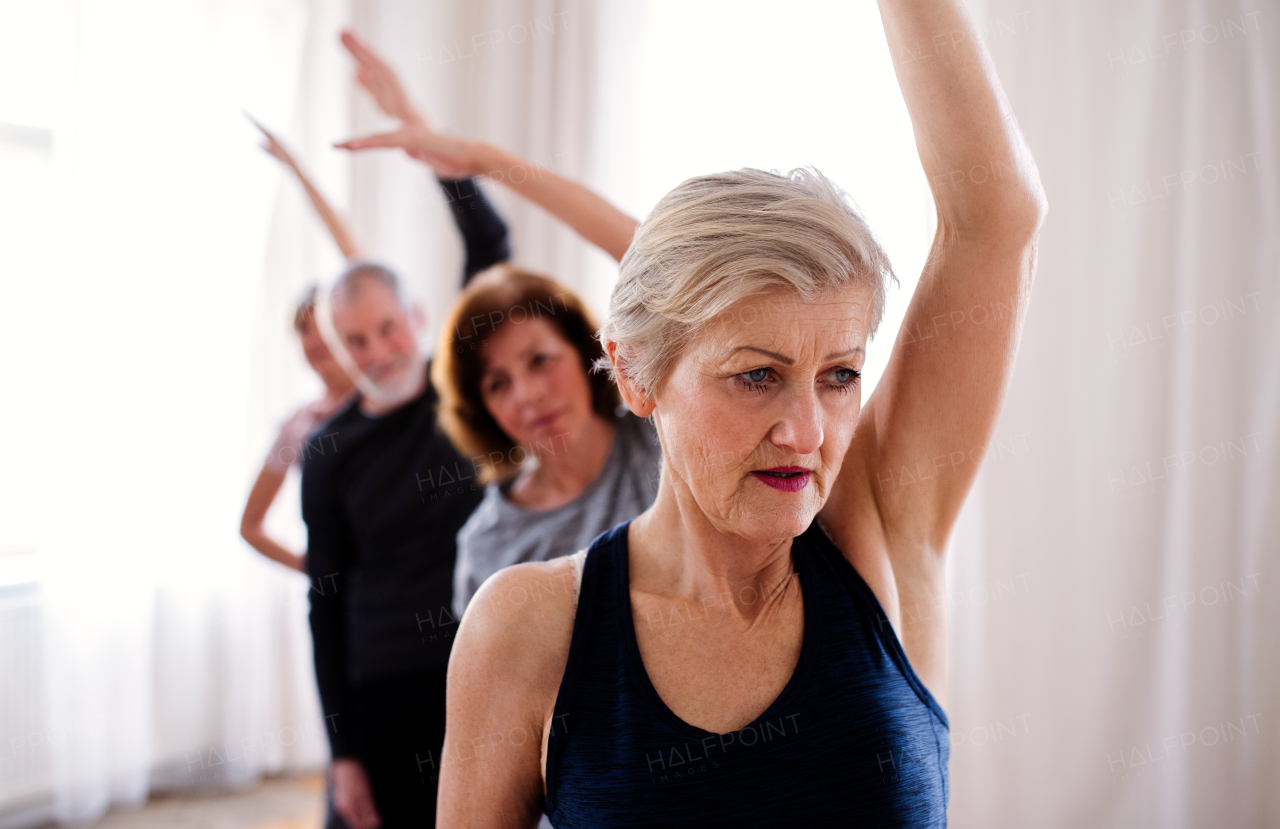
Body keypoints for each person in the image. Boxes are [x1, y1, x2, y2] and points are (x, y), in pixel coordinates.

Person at [433, 0, 1048, 825]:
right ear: (634, 376)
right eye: (757, 377)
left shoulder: (880, 533)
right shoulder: (527, 626)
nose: (809, 432)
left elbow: (995, 218)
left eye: (839, 376)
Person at [431, 265, 662, 622]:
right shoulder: (486, 547)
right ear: (483, 412)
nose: (528, 395)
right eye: (498, 384)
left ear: (588, 351)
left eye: (540, 361)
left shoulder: (663, 432)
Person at [240, 121, 358, 573]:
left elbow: (357, 259)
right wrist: (316, 570)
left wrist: (297, 170)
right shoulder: (298, 426)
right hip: (336, 606)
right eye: (302, 330)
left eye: (322, 326)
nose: (313, 340)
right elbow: (250, 526)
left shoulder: (385, 400)